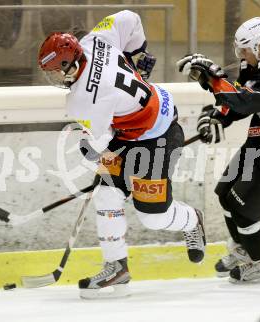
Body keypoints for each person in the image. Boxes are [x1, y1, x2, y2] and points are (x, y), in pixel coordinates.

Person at [38, 10, 205, 298]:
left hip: (157, 137)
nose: (54, 77)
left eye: (56, 71)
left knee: (152, 217)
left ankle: (192, 220)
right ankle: (117, 267)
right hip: (142, 120)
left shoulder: (80, 100)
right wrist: (137, 53)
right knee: (106, 194)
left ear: (69, 64)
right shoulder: (94, 41)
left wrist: (88, 149)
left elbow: (101, 143)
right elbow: (129, 17)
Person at [177, 17, 260, 283]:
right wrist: (219, 116)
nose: (241, 56)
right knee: (225, 194)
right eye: (239, 49)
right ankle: (245, 249)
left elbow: (246, 101)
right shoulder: (256, 63)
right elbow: (241, 95)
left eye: (246, 50)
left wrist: (213, 79)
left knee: (245, 211)